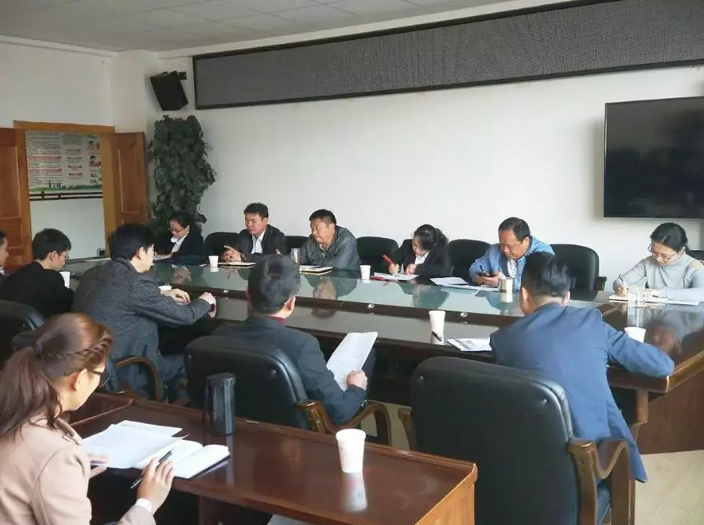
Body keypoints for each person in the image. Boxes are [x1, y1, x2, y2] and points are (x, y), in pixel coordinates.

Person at [490, 253, 674, 482]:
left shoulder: (504, 340)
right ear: (567, 297)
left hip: (530, 465)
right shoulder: (591, 322)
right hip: (593, 461)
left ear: (524, 295)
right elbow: (661, 365)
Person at [0, 313, 175, 524]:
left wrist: (68, 478)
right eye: (100, 376)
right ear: (80, 378)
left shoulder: (14, 416)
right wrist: (147, 504)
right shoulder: (56, 455)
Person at [214, 256, 370, 424]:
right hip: (291, 438)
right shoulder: (302, 346)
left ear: (247, 294)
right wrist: (356, 388)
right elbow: (339, 412)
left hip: (231, 432)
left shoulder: (219, 336)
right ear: (291, 303)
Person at [72, 224, 215, 400]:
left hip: (93, 368)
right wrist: (205, 301)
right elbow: (185, 316)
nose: (153, 256)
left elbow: (120, 296)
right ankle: (173, 410)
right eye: (152, 250)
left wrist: (161, 294)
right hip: (129, 369)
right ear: (141, 252)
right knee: (194, 361)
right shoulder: (136, 283)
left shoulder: (93, 273)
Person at [614, 223, 704, 302]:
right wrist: (620, 287)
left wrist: (658, 293)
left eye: (665, 256)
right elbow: (620, 281)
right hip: (654, 314)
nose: (658, 259)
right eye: (654, 252)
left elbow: (701, 294)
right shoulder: (648, 262)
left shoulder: (695, 266)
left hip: (685, 315)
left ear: (681, 251)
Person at [0, 228, 73, 318]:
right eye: (65, 257)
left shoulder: (14, 276)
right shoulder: (52, 278)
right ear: (53, 255)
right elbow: (74, 304)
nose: (64, 262)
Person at [470, 217, 553, 290]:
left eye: (510, 246)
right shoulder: (494, 250)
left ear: (526, 241)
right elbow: (475, 267)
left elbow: (543, 282)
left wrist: (503, 283)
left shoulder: (543, 253)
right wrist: (479, 278)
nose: (504, 250)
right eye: (502, 244)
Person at [222, 202, 287, 262]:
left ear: (265, 221)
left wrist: (244, 257)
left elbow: (275, 258)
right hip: (244, 271)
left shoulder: (276, 236)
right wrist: (228, 256)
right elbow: (233, 252)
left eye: (253, 221)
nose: (249, 224)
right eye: (247, 221)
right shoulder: (243, 234)